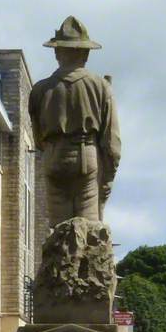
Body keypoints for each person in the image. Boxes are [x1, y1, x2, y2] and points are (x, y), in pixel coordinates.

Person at [28, 16, 121, 226]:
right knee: (89, 230)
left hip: (53, 156)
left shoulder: (40, 90)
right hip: (86, 155)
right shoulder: (101, 87)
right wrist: (107, 179)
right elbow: (112, 143)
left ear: (57, 52)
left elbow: (37, 139)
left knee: (58, 230)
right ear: (85, 53)